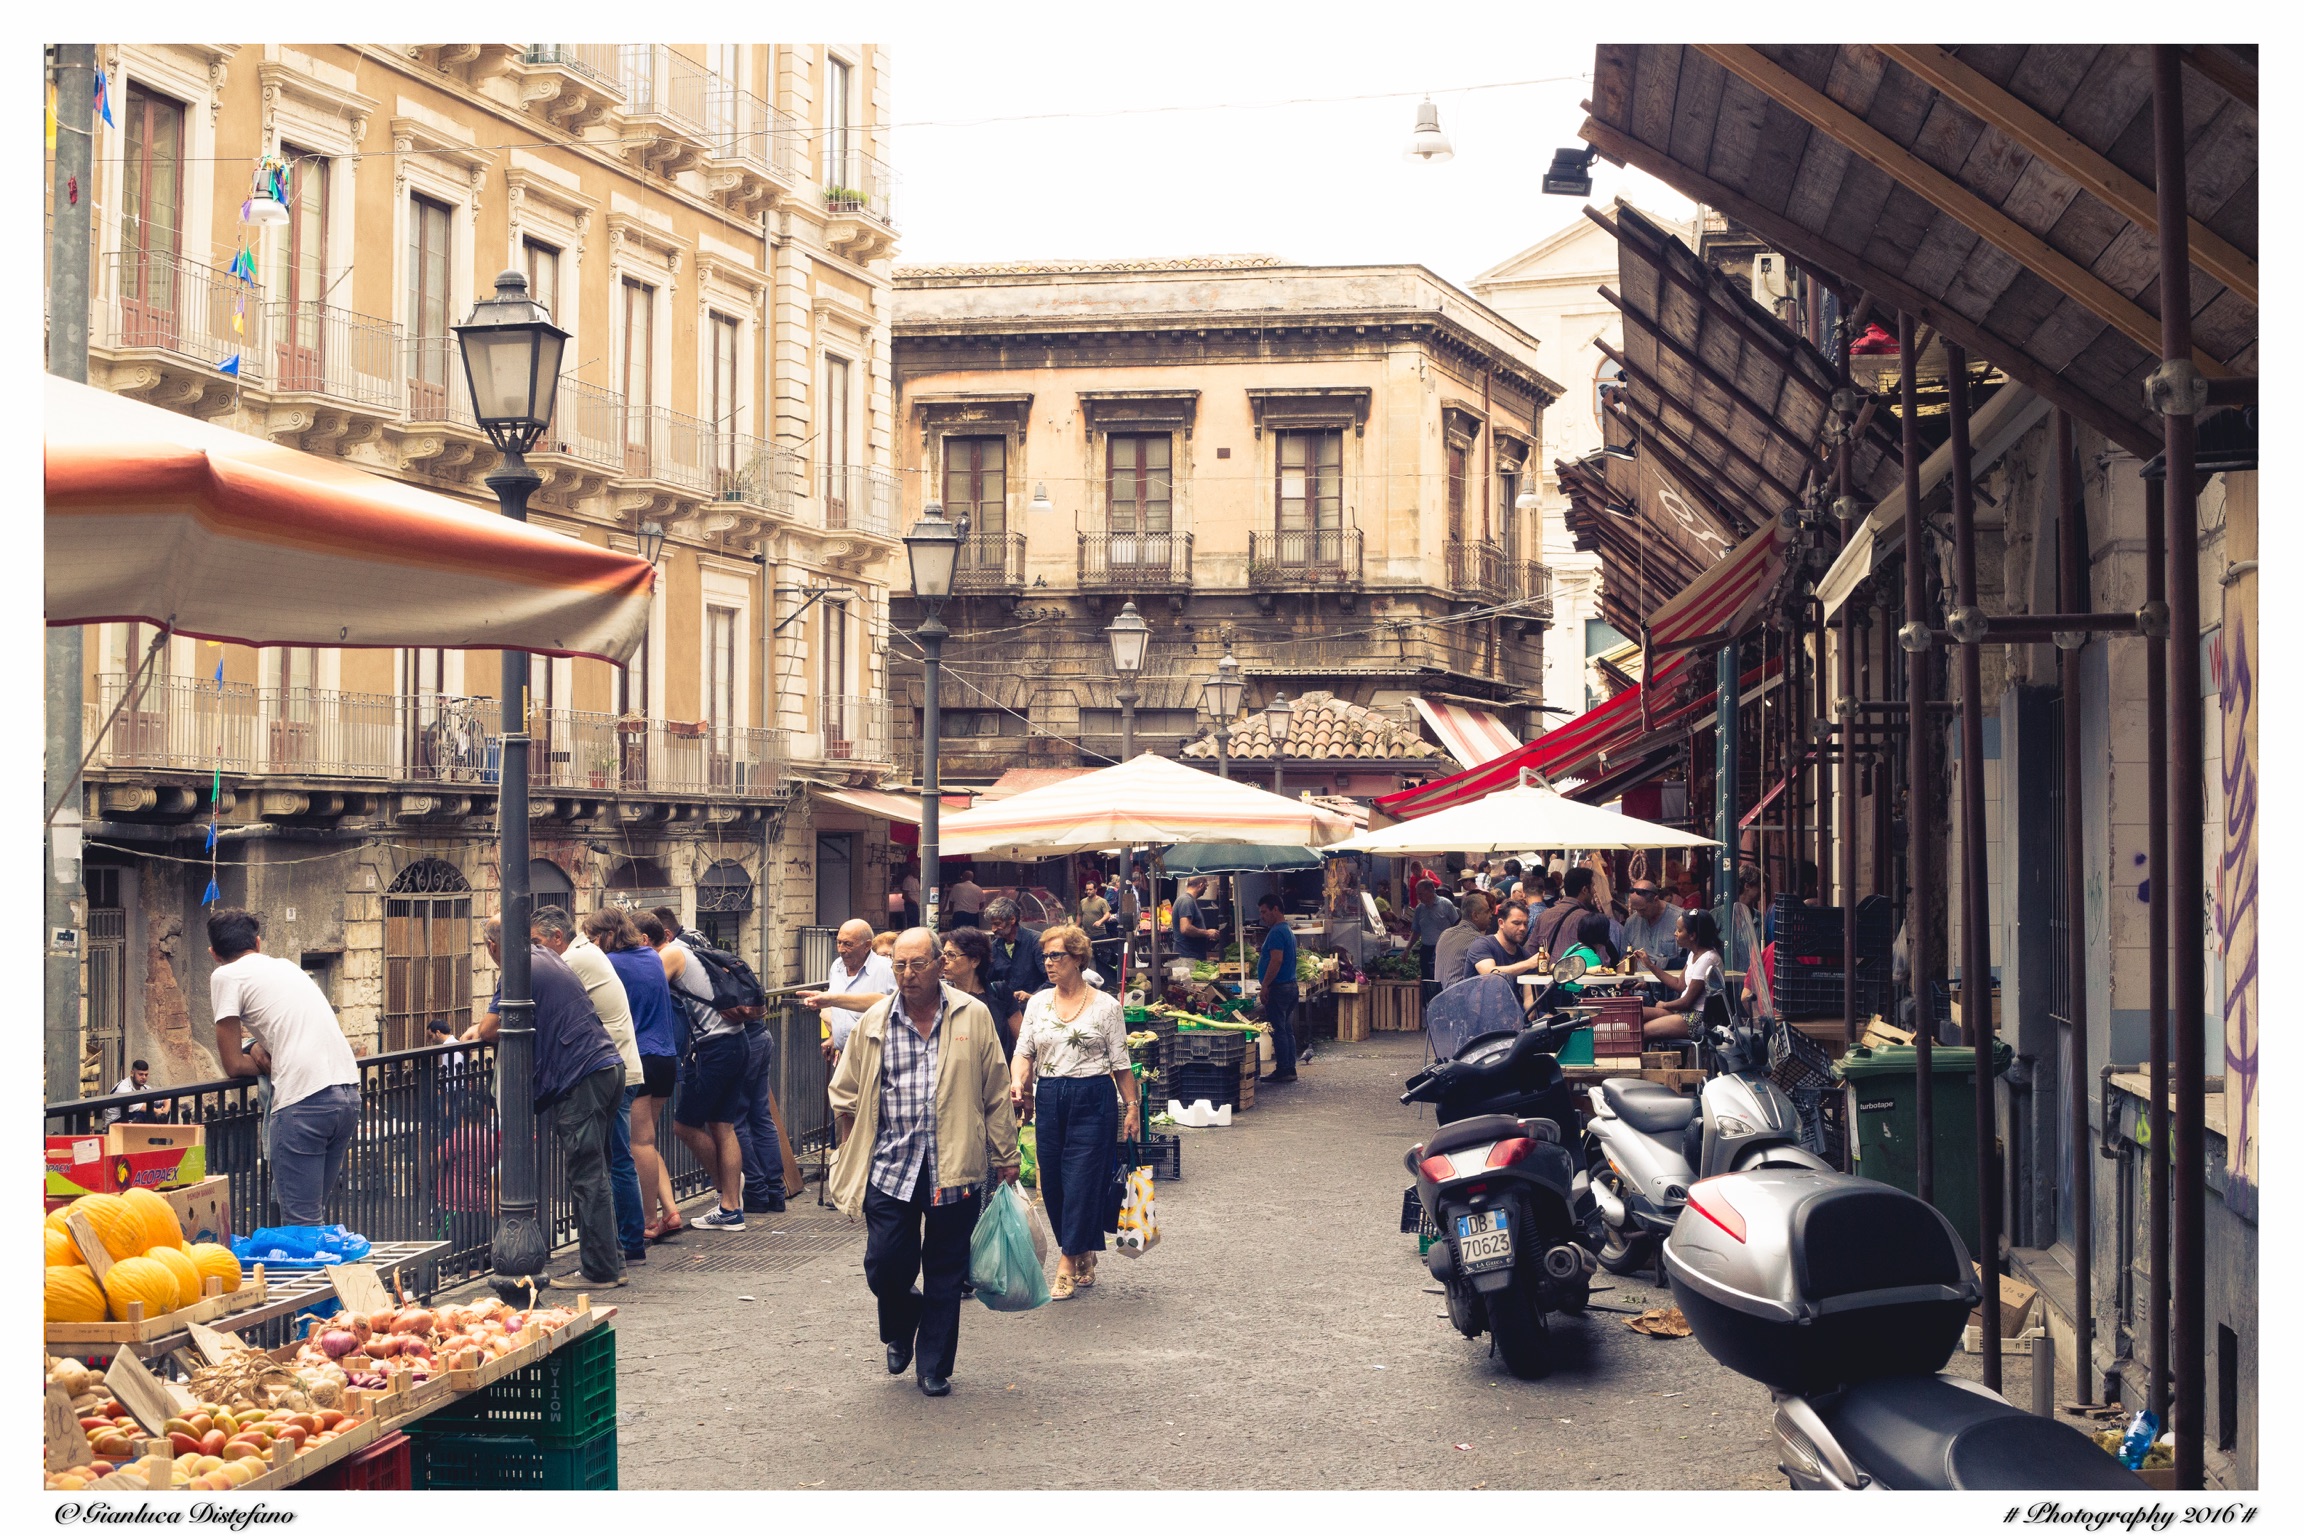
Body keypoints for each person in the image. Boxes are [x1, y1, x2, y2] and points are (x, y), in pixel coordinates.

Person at [828, 929, 1019, 1397]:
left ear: (940, 964)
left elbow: (995, 1089)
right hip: (890, 1166)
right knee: (884, 1264)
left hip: (954, 1165)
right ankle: (902, 1317)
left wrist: (1006, 1153)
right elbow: (845, 1093)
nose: (907, 975)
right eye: (898, 965)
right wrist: (849, 1153)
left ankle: (934, 1365)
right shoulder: (875, 1020)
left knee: (945, 1271)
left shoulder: (972, 1016)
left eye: (917, 965)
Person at [467, 917, 627, 1287]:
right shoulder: (548, 956)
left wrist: (477, 1030)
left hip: (582, 1075)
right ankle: (611, 1262)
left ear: (493, 947)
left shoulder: (519, 968)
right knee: (597, 1172)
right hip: (604, 1066)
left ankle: (601, 1271)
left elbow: (491, 1029)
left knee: (587, 1175)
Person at [207, 908, 361, 1227]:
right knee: (314, 1216)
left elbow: (233, 1064)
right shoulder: (286, 967)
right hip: (346, 1094)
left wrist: (258, 1056)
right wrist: (261, 1046)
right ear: (258, 944)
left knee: (301, 1224)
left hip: (304, 1102)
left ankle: (316, 1277)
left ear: (214, 954)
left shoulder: (224, 975)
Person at [1009, 923, 1138, 1300]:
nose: (1048, 963)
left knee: (1082, 1179)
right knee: (1054, 1183)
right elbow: (1023, 1051)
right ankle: (1082, 1249)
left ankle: (1066, 1260)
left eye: (1056, 955)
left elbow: (1121, 1062)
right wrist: (1019, 1081)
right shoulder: (1037, 1003)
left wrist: (1131, 1107)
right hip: (1050, 1095)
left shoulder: (1106, 1006)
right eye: (1045, 956)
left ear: (1078, 958)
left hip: (1093, 1096)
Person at [535, 906, 647, 1266]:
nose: (534, 952)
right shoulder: (586, 953)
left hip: (602, 1069)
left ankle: (623, 1246)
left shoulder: (573, 960)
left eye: (537, 943)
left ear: (557, 938)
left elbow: (543, 998)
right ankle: (620, 1245)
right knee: (610, 1161)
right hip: (615, 1065)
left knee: (608, 1163)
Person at [585, 909, 687, 1244]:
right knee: (647, 1141)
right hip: (664, 1055)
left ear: (609, 935)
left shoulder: (612, 965)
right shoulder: (650, 956)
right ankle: (670, 1210)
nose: (591, 945)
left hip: (639, 1057)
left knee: (638, 1144)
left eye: (593, 938)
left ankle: (647, 1221)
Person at [663, 918, 752, 1233]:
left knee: (684, 1126)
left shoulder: (672, 953)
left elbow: (648, 986)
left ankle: (728, 1190)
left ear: (663, 935)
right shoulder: (696, 947)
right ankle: (730, 1206)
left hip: (715, 1049)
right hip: (736, 1041)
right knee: (723, 1126)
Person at [802, 918, 899, 1068]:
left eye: (848, 944)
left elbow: (898, 1006)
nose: (841, 949)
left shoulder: (887, 970)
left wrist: (831, 999)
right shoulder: (837, 967)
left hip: (876, 1058)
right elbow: (841, 1011)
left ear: (867, 946)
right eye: (839, 942)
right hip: (843, 1055)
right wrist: (834, 1037)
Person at [1633, 909, 1726, 1043]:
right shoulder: (1694, 954)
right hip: (1685, 1013)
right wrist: (1650, 965)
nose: (1675, 934)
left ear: (1692, 935)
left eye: (1679, 930)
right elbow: (1679, 985)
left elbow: (1687, 1001)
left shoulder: (1707, 959)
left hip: (1698, 1019)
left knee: (1642, 1032)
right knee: (1635, 1016)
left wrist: (1665, 1005)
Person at [939, 927, 1013, 1058]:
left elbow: (1022, 1044)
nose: (945, 960)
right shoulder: (942, 998)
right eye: (943, 954)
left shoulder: (999, 993)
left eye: (951, 955)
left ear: (975, 960)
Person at [1254, 894, 1301, 1084]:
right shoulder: (1286, 930)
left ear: (1275, 909)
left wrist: (1265, 985)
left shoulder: (1276, 932)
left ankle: (1283, 1069)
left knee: (1279, 1030)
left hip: (1279, 987)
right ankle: (1289, 1068)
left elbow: (1277, 960)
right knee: (1286, 1029)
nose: (1262, 916)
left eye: (1264, 912)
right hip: (1290, 986)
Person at [980, 898, 1049, 1025]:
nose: (993, 929)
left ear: (1012, 919)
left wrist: (1032, 996)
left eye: (997, 923)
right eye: (992, 924)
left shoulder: (1035, 942)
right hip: (1009, 1014)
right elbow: (989, 980)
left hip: (1037, 1012)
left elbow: (1052, 979)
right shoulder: (995, 947)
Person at [1468, 899, 1547, 982]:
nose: (1522, 928)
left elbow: (1529, 993)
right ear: (1501, 923)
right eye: (1516, 923)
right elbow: (1489, 974)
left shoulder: (1524, 955)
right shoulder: (1482, 945)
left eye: (1525, 924)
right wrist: (1528, 964)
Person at [1622, 881, 1687, 976]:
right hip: (1637, 986)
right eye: (1635, 910)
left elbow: (1687, 962)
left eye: (1643, 909)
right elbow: (1625, 958)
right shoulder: (1631, 922)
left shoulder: (1680, 919)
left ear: (1655, 900)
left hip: (1669, 985)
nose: (1639, 914)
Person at [1533, 866, 1600, 958]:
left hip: (1547, 970)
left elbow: (1530, 949)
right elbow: (1600, 959)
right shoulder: (1588, 919)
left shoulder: (1544, 915)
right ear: (1584, 890)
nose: (1594, 891)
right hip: (1577, 971)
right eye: (1592, 887)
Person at [1434, 890, 1495, 987]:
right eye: (1487, 911)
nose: (1491, 915)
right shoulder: (1478, 940)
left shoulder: (1445, 934)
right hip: (1459, 998)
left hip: (1438, 998)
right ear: (1475, 916)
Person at [1410, 883, 1459, 981]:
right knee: (1427, 979)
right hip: (1426, 951)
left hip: (1444, 950)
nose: (1418, 897)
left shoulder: (1446, 905)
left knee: (1442, 978)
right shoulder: (1420, 909)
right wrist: (1407, 949)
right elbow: (1416, 931)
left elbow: (1457, 926)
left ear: (1430, 891)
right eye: (1417, 894)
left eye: (1421, 894)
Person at [1172, 877, 1220, 961]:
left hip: (1192, 957)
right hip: (1187, 958)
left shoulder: (1190, 901)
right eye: (1206, 886)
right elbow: (1185, 928)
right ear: (1201, 885)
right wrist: (1207, 933)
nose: (1206, 889)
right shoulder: (1186, 901)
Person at [104, 1060, 160, 1126]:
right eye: (140, 1074)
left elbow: (163, 1099)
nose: (144, 1077)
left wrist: (164, 1110)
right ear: (132, 1073)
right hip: (114, 1123)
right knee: (140, 1115)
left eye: (146, 1075)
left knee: (157, 1109)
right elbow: (136, 1106)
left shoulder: (144, 1087)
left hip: (129, 1117)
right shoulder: (123, 1087)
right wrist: (156, 1111)